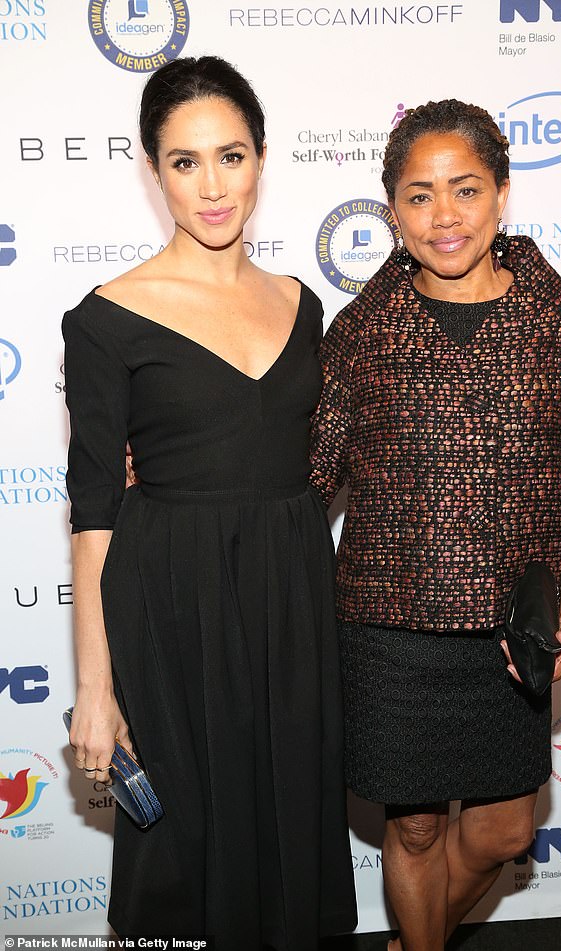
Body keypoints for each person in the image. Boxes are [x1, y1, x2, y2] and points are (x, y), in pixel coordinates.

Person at [309, 99, 561, 951]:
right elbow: (293, 473)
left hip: (507, 637)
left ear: (501, 195)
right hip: (388, 632)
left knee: (503, 835)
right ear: (393, 209)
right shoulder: (361, 332)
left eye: (465, 190)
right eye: (419, 195)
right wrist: (166, 460)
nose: (443, 216)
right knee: (411, 831)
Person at [62, 55, 356, 948]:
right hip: (174, 609)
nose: (212, 185)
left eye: (231, 155)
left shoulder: (306, 306)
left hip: (294, 604)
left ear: (262, 158)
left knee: (287, 836)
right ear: (154, 171)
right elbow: (93, 515)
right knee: (190, 858)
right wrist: (94, 689)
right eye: (185, 162)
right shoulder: (108, 317)